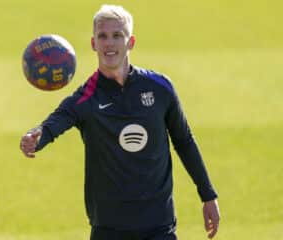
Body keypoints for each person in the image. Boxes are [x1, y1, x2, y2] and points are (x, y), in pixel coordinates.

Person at [20, 4, 220, 240]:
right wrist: (36, 136)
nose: (109, 43)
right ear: (93, 43)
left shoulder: (161, 88)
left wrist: (208, 195)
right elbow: (54, 123)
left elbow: (184, 141)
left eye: (118, 35)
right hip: (109, 229)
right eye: (102, 36)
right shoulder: (86, 98)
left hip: (159, 225)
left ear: (131, 42)